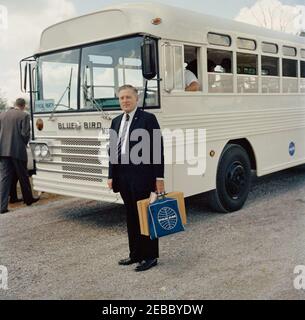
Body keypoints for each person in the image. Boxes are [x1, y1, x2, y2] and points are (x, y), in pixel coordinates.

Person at [107, 84, 164, 272]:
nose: (125, 101)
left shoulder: (148, 119)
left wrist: (159, 178)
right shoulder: (116, 121)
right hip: (122, 177)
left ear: (136, 99)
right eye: (121, 98)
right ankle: (135, 255)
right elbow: (112, 151)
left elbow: (157, 149)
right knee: (131, 216)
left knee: (145, 216)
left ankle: (150, 256)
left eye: (128, 97)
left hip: (142, 177)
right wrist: (110, 175)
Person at [0, 98, 39, 214]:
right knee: (23, 175)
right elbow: (25, 134)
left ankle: (3, 206)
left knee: (5, 178)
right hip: (17, 150)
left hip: (3, 150)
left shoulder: (2, 115)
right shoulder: (24, 116)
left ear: (15, 104)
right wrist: (24, 143)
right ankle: (28, 199)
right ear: (23, 106)